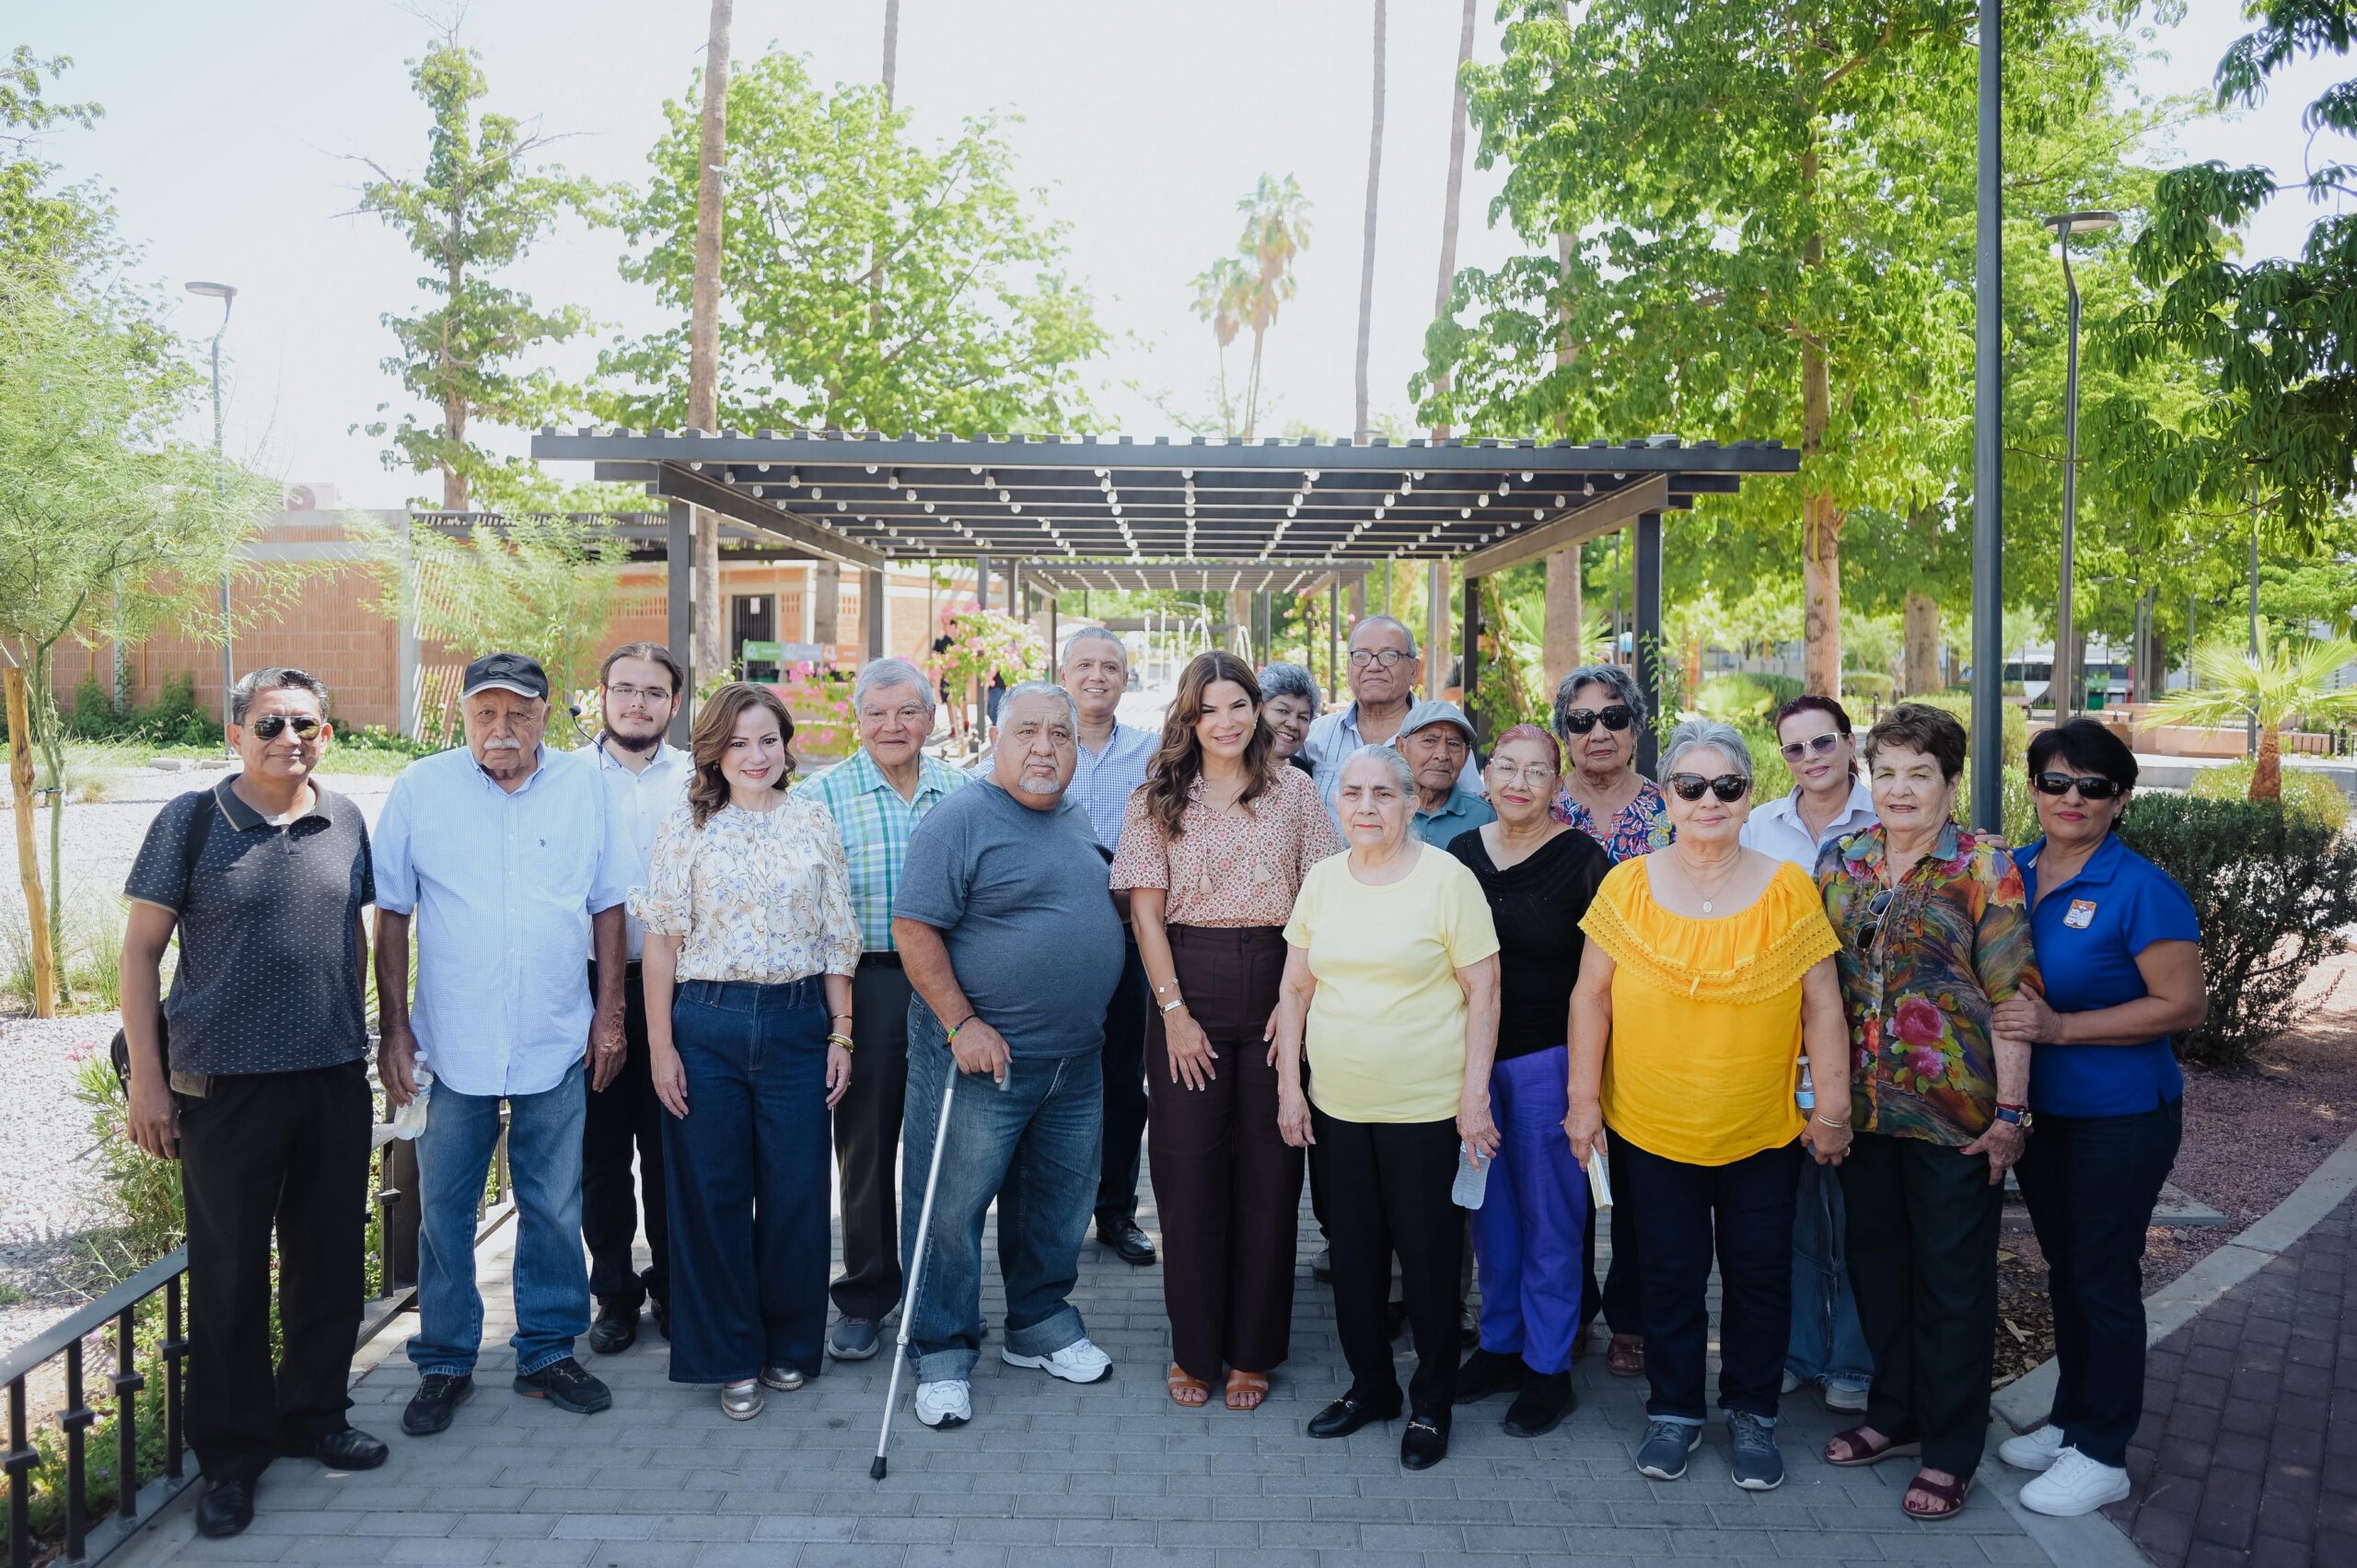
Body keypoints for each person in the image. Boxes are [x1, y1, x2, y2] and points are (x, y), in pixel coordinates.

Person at [120, 668, 382, 1539]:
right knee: (230, 1275)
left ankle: (315, 1416)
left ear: (327, 732)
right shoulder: (190, 822)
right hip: (223, 1087)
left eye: (304, 722)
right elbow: (139, 954)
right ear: (236, 732)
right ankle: (231, 1460)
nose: (287, 736)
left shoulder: (344, 818)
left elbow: (351, 931)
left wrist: (363, 1033)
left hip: (331, 1077)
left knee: (330, 1256)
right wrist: (149, 1083)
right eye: (268, 722)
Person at [1565, 719, 1849, 1492]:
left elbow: (1822, 1004)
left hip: (1759, 1126)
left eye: (1726, 786)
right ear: (1667, 797)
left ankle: (1753, 1414)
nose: (1708, 800)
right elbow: (1590, 998)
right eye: (1691, 786)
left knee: (1759, 1278)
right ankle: (1676, 1411)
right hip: (1651, 1126)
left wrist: (1832, 1105)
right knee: (1668, 1273)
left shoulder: (1788, 887)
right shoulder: (1626, 884)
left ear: (1747, 795)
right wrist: (1581, 1101)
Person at [375, 652, 635, 1438]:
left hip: (554, 1037)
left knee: (554, 1204)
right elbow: (392, 912)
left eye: (519, 712)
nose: (502, 728)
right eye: (486, 712)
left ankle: (547, 1350)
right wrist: (392, 1027)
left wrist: (610, 1015)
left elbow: (609, 905)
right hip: (450, 1046)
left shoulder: (586, 785)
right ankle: (446, 1360)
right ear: (462, 716)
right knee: (445, 1208)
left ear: (547, 715)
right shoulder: (423, 787)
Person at [1815, 703, 2038, 1520]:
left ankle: (1951, 1445)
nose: (1900, 789)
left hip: (1958, 1114)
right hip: (1863, 1109)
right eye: (1887, 773)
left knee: (1952, 1283)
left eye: (1920, 774)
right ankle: (1896, 1413)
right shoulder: (1842, 859)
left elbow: (2015, 996)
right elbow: (1817, 986)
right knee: (1876, 1265)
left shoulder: (1985, 864)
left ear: (1951, 781)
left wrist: (2010, 1114)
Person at [889, 681, 1128, 1431]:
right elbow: (913, 929)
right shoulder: (958, 819)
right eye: (1028, 731)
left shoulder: (1075, 815)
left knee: (1057, 1203)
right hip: (979, 1058)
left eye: (1060, 734)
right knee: (950, 1207)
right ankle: (941, 1350)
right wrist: (962, 1025)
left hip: (1073, 1062)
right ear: (995, 738)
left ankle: (1038, 1325)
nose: (1045, 748)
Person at [1112, 653, 1342, 1412]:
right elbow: (1145, 912)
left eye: (1238, 703)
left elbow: (1322, 900)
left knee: (1272, 1176)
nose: (1227, 720)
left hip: (1279, 977)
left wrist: (1295, 997)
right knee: (1187, 1174)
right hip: (1190, 980)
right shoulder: (1157, 796)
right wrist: (1174, 1011)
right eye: (1209, 708)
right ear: (1189, 715)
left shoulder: (1297, 791)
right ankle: (1194, 1347)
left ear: (1257, 707)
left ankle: (1252, 1349)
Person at [1993, 719, 2207, 1517]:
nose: (2071, 798)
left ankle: (2104, 1451)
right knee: (2066, 1270)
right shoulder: (2010, 872)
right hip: (2037, 1113)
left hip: (2119, 1115)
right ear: (2034, 788)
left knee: (2103, 1277)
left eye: (2092, 785)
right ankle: (2072, 1420)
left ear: (2120, 798)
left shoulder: (2141, 887)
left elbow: (2184, 1002)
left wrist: (2061, 1029)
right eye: (2055, 781)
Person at [634, 682, 860, 1419]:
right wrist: (662, 1047)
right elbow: (662, 943)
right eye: (737, 743)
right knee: (712, 1195)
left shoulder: (815, 821)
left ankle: (791, 1345)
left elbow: (836, 938)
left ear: (786, 744)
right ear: (714, 752)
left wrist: (841, 1031)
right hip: (709, 1023)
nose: (755, 755)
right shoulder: (687, 826)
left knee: (797, 1194)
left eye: (767, 739)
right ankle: (728, 1354)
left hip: (799, 1024)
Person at [1272, 745, 1502, 1470]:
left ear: (1409, 802)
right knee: (1357, 1260)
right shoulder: (1322, 879)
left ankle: (1430, 1402)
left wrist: (1474, 1097)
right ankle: (1372, 1386)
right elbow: (1295, 989)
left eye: (1383, 793)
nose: (1366, 806)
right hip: (1338, 1107)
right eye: (1353, 792)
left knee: (1430, 1265)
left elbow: (1485, 991)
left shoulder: (1448, 880)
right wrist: (1289, 1087)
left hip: (1427, 1112)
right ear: (1336, 803)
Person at [1446, 724, 1610, 1439]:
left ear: (1558, 783)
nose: (1517, 781)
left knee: (1553, 1221)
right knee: (1491, 1218)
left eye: (1536, 770)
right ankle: (1502, 1345)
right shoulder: (1457, 857)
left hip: (1550, 1062)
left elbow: (1604, 981)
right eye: (1505, 767)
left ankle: (1548, 1367)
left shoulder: (1583, 859)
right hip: (1470, 1063)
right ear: (1485, 779)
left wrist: (1587, 1088)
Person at [807, 657, 969, 1361]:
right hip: (865, 987)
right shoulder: (822, 797)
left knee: (950, 1152)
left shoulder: (965, 793)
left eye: (907, 712)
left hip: (949, 988)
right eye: (877, 712)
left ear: (930, 719)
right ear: (858, 719)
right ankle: (868, 1293)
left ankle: (942, 1295)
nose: (892, 726)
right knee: (866, 1149)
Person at [1740, 695, 1878, 1416]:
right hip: (1779, 1043)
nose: (1810, 758)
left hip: (1876, 1041)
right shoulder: (1759, 826)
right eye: (1793, 749)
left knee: (1856, 1212)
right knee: (1791, 1209)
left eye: (1822, 741)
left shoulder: (1887, 817)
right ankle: (1798, 1348)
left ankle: (1853, 1359)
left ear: (1849, 742)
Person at [1549, 662, 1670, 1378]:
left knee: (1638, 1182)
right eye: (1582, 719)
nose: (1599, 731)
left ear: (1636, 728)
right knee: (1563, 1182)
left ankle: (1634, 1314)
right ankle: (1569, 1311)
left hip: (1645, 1022)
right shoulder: (1537, 803)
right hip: (1546, 1024)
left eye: (1614, 717)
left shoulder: (1670, 809)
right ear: (1564, 732)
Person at [577, 642, 692, 1356]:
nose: (638, 703)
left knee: (673, 1143)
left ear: (673, 703)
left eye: (654, 692)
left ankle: (677, 1285)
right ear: (602, 695)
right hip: (592, 985)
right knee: (600, 1149)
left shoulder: (698, 778)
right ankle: (614, 1291)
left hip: (682, 984)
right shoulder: (564, 777)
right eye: (625, 689)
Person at [1059, 626, 1161, 1267]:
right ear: (1064, 672)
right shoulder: (1034, 742)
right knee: (1056, 1078)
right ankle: (1053, 1215)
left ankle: (1116, 1211)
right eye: (1085, 665)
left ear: (1127, 679)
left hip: (1128, 941)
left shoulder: (1153, 757)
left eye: (1112, 666)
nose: (1097, 676)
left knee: (1124, 1079)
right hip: (1054, 947)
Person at [1301, 616, 1479, 816]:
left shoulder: (1445, 739)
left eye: (1389, 655)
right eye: (1361, 655)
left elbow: (1474, 810)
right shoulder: (1316, 735)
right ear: (1348, 667)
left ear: (1414, 670)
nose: (1374, 666)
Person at [1399, 700, 1497, 846]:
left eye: (1453, 744)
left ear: (1465, 755)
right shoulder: (1383, 807)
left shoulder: (1485, 815)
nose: (1442, 754)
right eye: (1430, 740)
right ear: (1401, 747)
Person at [1256, 660, 1321, 777]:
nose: (1293, 724)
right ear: (1257, 710)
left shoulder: (1302, 775)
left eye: (1303, 717)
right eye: (1283, 711)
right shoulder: (1229, 768)